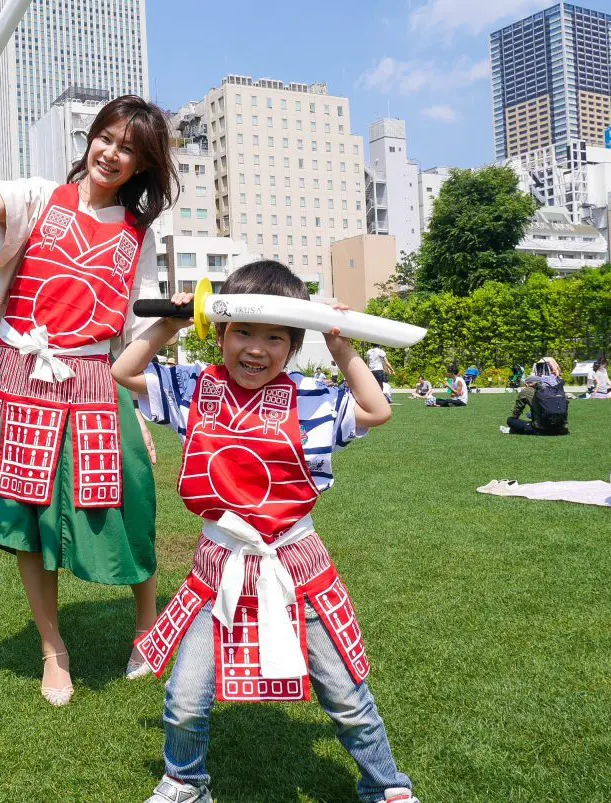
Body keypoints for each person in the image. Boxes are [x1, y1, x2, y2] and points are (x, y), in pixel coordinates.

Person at [0, 94, 176, 705]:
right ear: (91, 139)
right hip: (17, 375)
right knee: (28, 518)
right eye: (106, 137)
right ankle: (54, 649)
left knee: (131, 500)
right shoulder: (39, 196)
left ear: (143, 165)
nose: (112, 153)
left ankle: (145, 625)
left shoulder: (139, 235)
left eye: (129, 148)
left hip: (92, 382)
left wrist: (174, 326)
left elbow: (136, 330)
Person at [112, 261, 416, 803]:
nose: (255, 349)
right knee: (185, 696)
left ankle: (387, 786)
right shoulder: (194, 388)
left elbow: (376, 409)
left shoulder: (312, 398)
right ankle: (185, 780)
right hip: (220, 565)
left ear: (294, 346)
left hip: (296, 563)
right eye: (243, 332)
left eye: (274, 337)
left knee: (345, 694)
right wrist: (173, 324)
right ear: (221, 335)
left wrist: (340, 343)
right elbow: (126, 371)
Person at [502, 368, 569, 436]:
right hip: (562, 429)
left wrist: (514, 418)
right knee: (532, 416)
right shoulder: (552, 392)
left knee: (510, 420)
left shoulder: (527, 391)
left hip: (542, 430)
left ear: (528, 384)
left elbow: (517, 410)